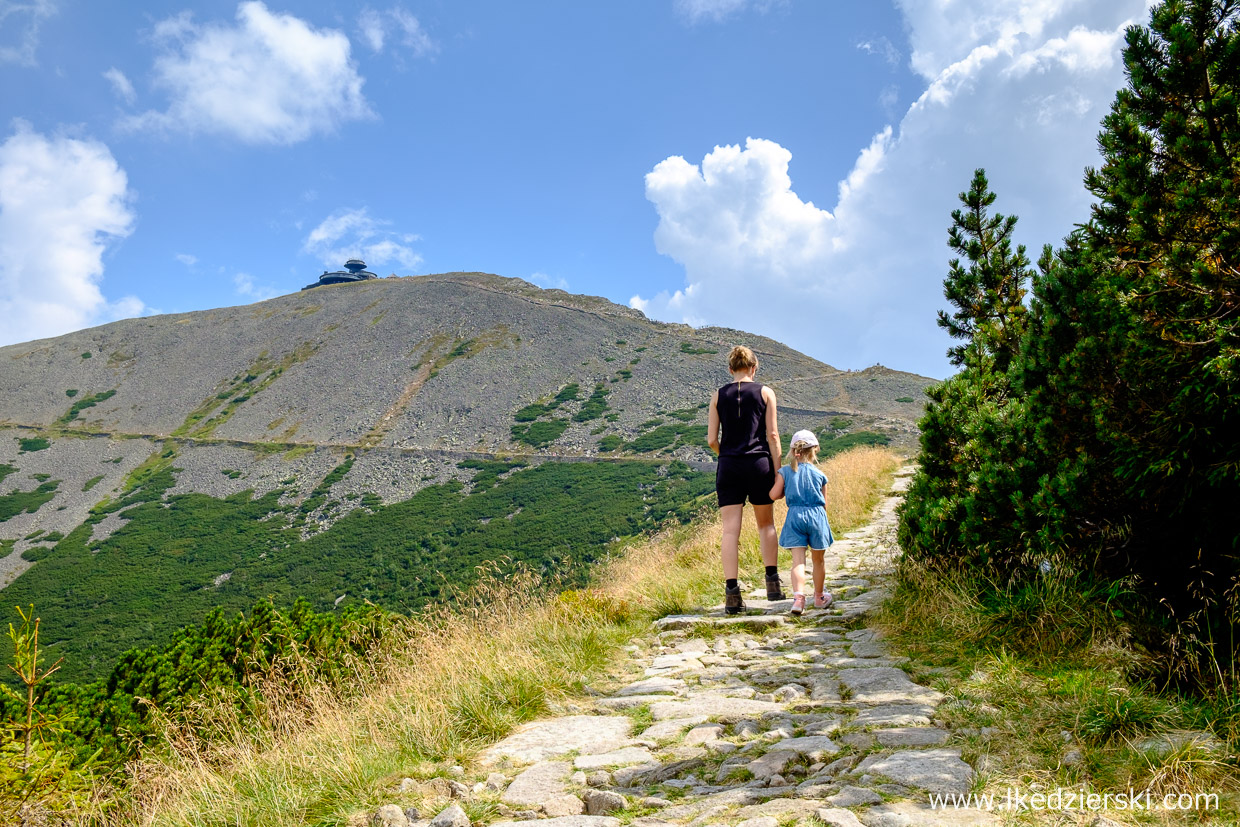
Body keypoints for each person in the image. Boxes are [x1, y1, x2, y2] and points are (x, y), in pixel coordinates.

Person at [707, 345, 782, 614]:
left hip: (729, 465)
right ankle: (772, 584)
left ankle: (732, 594)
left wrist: (726, 454)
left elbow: (712, 439)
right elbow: (772, 435)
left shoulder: (718, 395)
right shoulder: (765, 392)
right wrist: (778, 470)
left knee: (730, 531)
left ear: (730, 369)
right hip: (758, 463)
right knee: (766, 524)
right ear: (754, 367)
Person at [769, 429, 834, 616]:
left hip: (795, 517)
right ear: (815, 450)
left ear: (792, 451)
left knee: (798, 561)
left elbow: (774, 495)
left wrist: (783, 487)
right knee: (818, 560)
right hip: (816, 516)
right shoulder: (820, 475)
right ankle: (819, 597)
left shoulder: (785, 472)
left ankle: (798, 599)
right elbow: (824, 504)